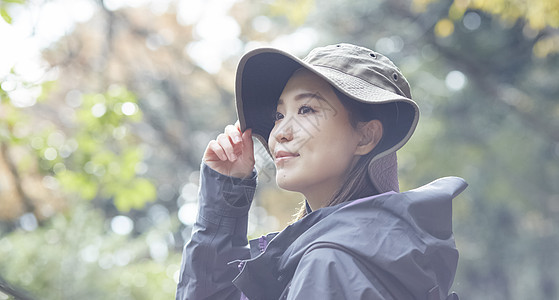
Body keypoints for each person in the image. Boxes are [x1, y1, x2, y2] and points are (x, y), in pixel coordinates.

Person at [175, 43, 467, 300]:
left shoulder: (331, 263)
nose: (280, 133)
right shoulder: (370, 251)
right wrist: (224, 198)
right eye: (279, 115)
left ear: (365, 137)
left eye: (307, 110)